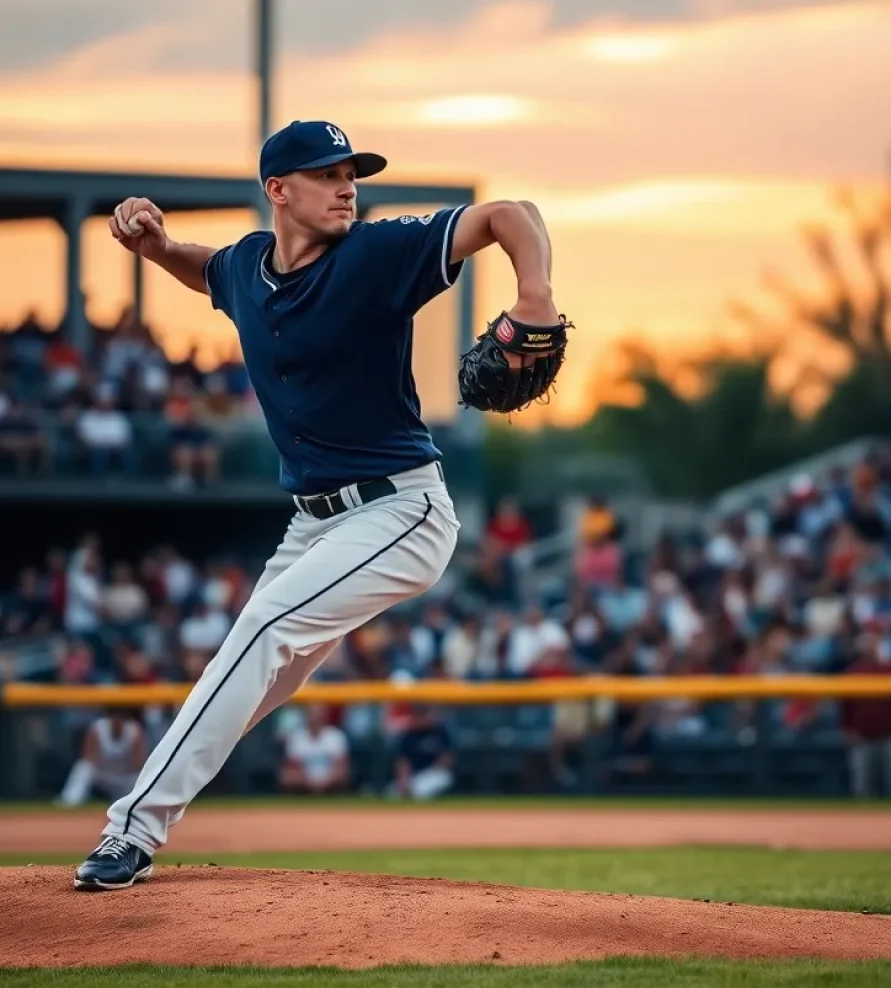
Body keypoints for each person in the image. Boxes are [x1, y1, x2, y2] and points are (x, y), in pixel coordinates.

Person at [74, 118, 565, 890]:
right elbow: (210, 270)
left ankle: (130, 829)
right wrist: (157, 247)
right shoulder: (246, 270)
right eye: (330, 174)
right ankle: (157, 792)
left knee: (259, 629)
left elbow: (513, 215)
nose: (348, 188)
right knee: (258, 679)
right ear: (279, 190)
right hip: (313, 523)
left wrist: (533, 292)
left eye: (352, 174)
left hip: (401, 513)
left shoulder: (376, 254)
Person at [55, 709, 146, 808]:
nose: (117, 720)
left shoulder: (134, 730)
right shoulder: (98, 728)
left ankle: (139, 804)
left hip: (122, 777)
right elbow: (87, 756)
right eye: (114, 716)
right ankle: (69, 801)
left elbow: (138, 764)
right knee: (83, 767)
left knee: (137, 777)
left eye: (121, 717)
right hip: (102, 774)